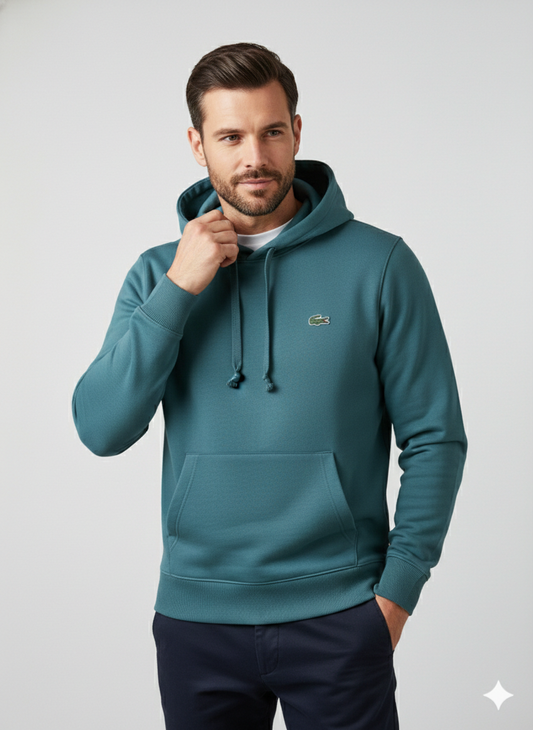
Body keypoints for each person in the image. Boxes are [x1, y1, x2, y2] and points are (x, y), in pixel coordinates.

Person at [72, 42, 467, 730]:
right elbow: (101, 429)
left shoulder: (379, 264)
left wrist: (396, 596)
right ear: (197, 145)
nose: (254, 156)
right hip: (197, 620)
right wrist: (180, 288)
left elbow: (435, 438)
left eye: (271, 131)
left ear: (297, 132)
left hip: (341, 615)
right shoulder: (157, 273)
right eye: (230, 137)